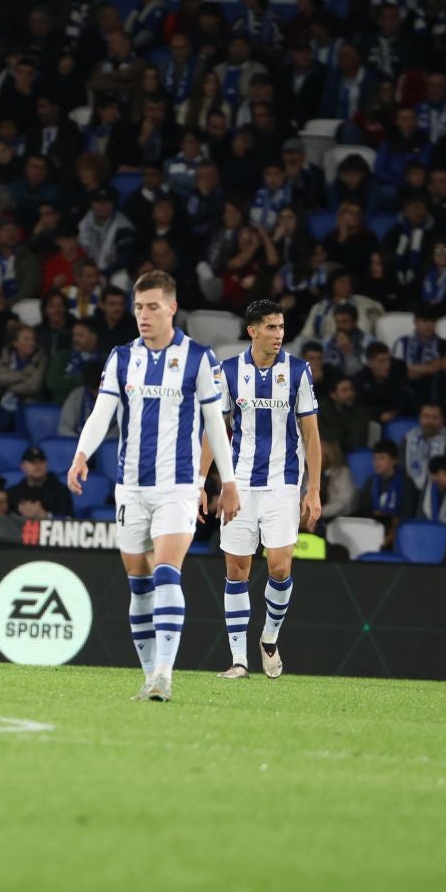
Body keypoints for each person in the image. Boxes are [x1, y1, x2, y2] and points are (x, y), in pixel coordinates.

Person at [68, 271, 242, 699]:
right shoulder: (122, 357)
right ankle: (150, 677)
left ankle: (164, 671)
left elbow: (215, 425)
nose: (143, 316)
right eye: (138, 307)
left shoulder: (199, 358)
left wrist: (228, 480)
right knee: (138, 581)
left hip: (178, 486)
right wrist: (81, 455)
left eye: (152, 307)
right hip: (130, 489)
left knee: (166, 571)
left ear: (171, 308)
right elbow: (101, 412)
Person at [203, 297, 321, 679]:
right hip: (239, 484)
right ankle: (238, 660)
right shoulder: (229, 372)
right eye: (271, 327)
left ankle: (269, 637)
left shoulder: (299, 372)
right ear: (252, 331)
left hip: (284, 483)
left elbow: (312, 436)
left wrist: (313, 489)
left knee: (280, 566)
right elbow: (215, 430)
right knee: (236, 569)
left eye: (282, 327)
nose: (278, 335)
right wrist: (201, 482)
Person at [5, 445, 73, 518]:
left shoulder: (61, 491)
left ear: (47, 464)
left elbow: (70, 521)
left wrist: (46, 515)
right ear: (23, 466)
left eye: (41, 461)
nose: (38, 465)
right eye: (33, 462)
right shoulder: (13, 494)